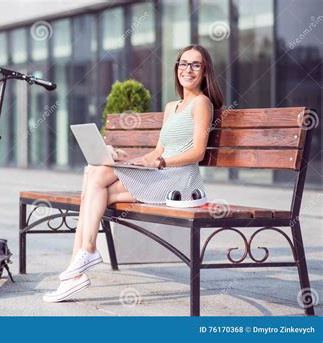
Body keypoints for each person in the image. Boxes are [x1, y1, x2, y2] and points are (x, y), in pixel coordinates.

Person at [43, 44, 224, 303]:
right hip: (160, 175)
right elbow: (158, 150)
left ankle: (79, 264)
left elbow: (197, 152)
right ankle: (81, 263)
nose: (188, 69)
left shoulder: (202, 104)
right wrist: (133, 162)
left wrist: (160, 163)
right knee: (95, 176)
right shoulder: (172, 107)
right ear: (177, 69)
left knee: (95, 183)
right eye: (183, 63)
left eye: (196, 65)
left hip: (179, 182)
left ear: (205, 72)